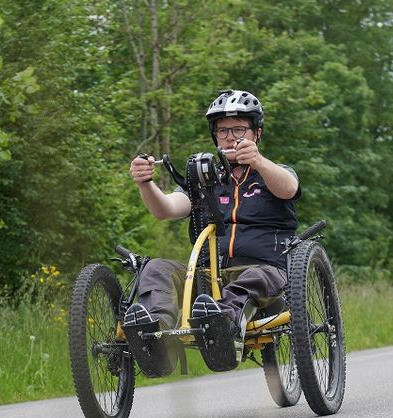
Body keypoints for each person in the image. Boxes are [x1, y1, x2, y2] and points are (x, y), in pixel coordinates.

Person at [123, 89, 300, 375]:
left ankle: (222, 329)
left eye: (239, 129)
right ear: (214, 136)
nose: (230, 137)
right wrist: (145, 183)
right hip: (207, 278)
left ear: (257, 133)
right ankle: (154, 339)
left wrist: (258, 162)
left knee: (251, 278)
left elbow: (289, 189)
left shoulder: (272, 173)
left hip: (266, 270)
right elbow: (165, 209)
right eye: (223, 131)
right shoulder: (206, 182)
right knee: (155, 269)